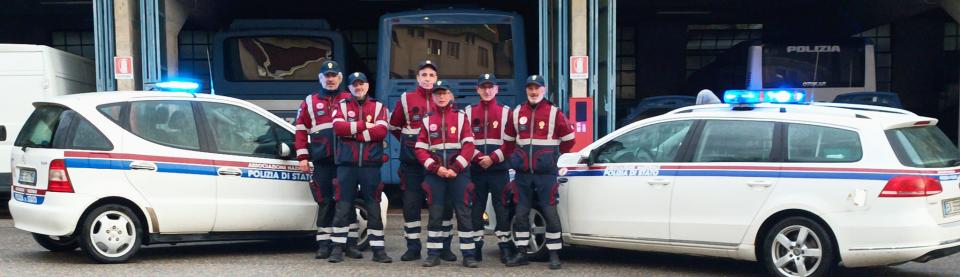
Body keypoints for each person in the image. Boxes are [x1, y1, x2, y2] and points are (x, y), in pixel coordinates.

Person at [388, 60, 457, 262]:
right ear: (417, 78)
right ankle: (413, 247)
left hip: (438, 163)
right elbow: (394, 127)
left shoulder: (444, 97)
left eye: (431, 75)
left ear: (436, 78)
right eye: (424, 75)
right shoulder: (406, 98)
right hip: (412, 164)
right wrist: (412, 145)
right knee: (411, 204)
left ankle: (444, 248)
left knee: (443, 204)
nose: (427, 79)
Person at [504, 75, 576, 270]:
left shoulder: (554, 112)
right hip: (523, 174)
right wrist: (515, 160)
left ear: (544, 89)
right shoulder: (517, 112)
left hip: (546, 173)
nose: (533, 92)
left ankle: (554, 254)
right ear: (526, 90)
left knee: (550, 213)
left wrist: (551, 158)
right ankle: (521, 252)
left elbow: (569, 140)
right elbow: (508, 141)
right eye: (530, 88)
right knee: (521, 214)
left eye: (537, 88)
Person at [293, 60, 361, 260]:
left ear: (340, 78)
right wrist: (303, 157)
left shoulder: (350, 98)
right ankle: (324, 244)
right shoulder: (310, 101)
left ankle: (351, 243)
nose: (330, 79)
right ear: (320, 78)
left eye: (334, 76)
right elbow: (300, 130)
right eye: (326, 76)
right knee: (325, 202)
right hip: (323, 161)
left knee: (347, 202)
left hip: (346, 161)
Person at [414, 80, 479, 268]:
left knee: (463, 214)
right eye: (438, 94)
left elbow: (469, 146)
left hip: (459, 175)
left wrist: (455, 168)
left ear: (450, 95)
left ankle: (469, 255)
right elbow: (419, 149)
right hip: (436, 176)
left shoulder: (460, 117)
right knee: (435, 214)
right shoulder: (427, 119)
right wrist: (436, 168)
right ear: (433, 96)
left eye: (444, 93)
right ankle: (433, 254)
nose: (441, 97)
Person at [329, 72, 391, 263]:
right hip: (347, 165)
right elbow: (338, 128)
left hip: (370, 166)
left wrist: (353, 132)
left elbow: (381, 131)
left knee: (373, 207)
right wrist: (365, 125)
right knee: (343, 207)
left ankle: (378, 250)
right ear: (349, 88)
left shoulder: (379, 106)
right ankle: (337, 249)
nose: (358, 87)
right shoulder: (340, 105)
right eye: (354, 84)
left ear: (367, 86)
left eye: (361, 84)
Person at [463, 73, 516, 264]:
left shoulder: (506, 112)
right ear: (477, 89)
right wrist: (478, 158)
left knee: (501, 209)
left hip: (499, 169)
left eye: (490, 87)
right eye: (483, 87)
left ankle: (505, 248)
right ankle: (476, 248)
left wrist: (493, 158)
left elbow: (511, 143)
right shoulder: (468, 112)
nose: (487, 90)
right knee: (475, 209)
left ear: (496, 89)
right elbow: (465, 141)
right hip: (476, 170)